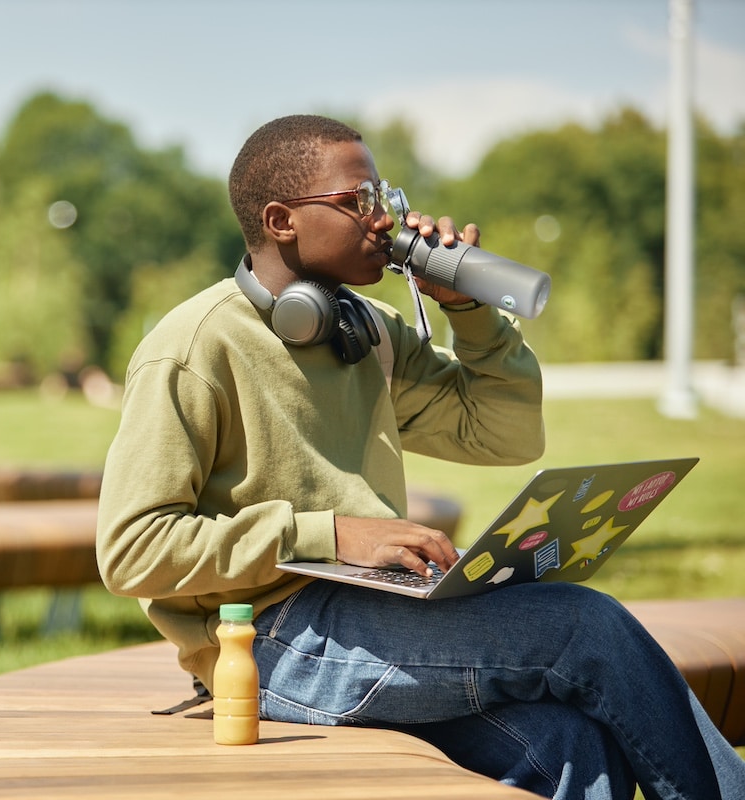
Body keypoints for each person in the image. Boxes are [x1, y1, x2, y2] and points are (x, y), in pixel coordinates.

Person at [95, 114, 745, 800]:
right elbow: (132, 549)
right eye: (358, 202)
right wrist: (336, 534)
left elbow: (505, 434)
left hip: (370, 613)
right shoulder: (193, 349)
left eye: (387, 199)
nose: (384, 222)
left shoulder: (366, 332)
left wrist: (469, 310)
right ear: (282, 219)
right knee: (585, 623)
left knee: (562, 742)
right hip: (266, 639)